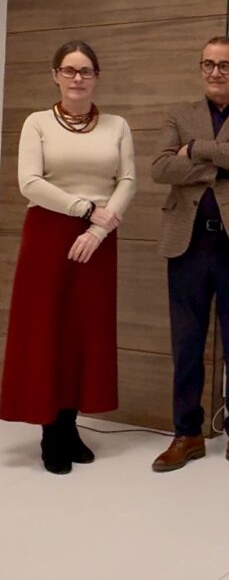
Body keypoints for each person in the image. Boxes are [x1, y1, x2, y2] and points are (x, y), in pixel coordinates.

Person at [0, 41, 136, 474]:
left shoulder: (117, 125)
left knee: (84, 331)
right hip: (49, 234)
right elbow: (29, 182)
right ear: (55, 75)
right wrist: (84, 210)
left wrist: (98, 229)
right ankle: (50, 432)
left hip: (99, 238)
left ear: (97, 76)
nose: (77, 78)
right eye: (69, 70)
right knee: (47, 329)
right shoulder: (37, 122)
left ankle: (70, 425)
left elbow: (127, 180)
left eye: (85, 71)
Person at [150, 36, 229, 476]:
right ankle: (186, 434)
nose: (215, 72)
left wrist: (195, 149)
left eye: (225, 65)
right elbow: (161, 168)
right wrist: (225, 168)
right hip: (187, 244)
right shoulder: (177, 115)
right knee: (186, 345)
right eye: (208, 64)